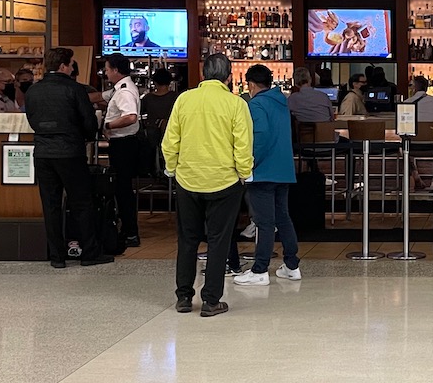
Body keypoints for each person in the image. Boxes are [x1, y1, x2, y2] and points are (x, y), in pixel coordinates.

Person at [163, 52, 252, 318]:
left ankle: (183, 297)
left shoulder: (184, 100)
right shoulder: (236, 105)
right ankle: (211, 300)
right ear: (229, 76)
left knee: (187, 240)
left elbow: (170, 141)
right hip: (224, 182)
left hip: (188, 180)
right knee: (218, 241)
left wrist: (172, 169)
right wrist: (244, 174)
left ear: (203, 74)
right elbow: (243, 146)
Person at [24, 47, 113, 269]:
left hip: (43, 152)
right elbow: (88, 123)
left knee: (50, 204)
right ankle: (89, 253)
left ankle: (57, 256)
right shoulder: (74, 89)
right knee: (81, 202)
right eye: (72, 63)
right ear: (64, 65)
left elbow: (32, 119)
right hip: (70, 151)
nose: (73, 66)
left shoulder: (33, 91)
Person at [232, 64, 302, 287]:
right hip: (283, 169)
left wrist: (248, 164)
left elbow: (259, 137)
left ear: (251, 84)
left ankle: (260, 269)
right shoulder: (282, 102)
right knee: (283, 217)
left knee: (263, 221)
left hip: (263, 170)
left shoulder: (257, 104)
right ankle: (292, 266)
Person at [101, 53, 142, 249]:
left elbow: (130, 117)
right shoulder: (119, 89)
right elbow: (101, 97)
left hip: (124, 144)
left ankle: (130, 232)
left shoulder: (125, 91)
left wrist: (108, 125)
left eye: (107, 69)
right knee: (121, 188)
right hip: (123, 144)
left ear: (116, 70)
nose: (105, 72)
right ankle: (127, 229)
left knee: (123, 189)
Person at [140, 67, 178, 133]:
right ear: (169, 82)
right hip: (172, 131)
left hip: (152, 133)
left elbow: (140, 112)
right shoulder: (176, 97)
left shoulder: (148, 98)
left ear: (155, 82)